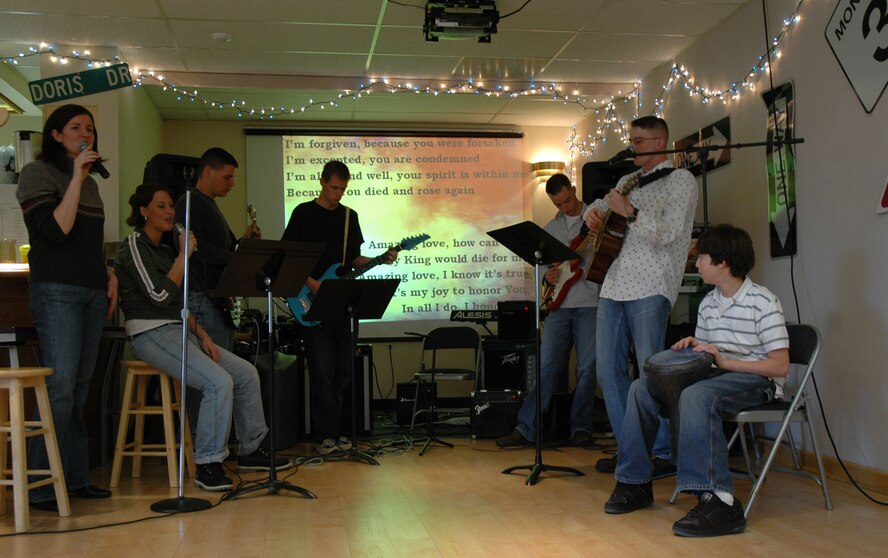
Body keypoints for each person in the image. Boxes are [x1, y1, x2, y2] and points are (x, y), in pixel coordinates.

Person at [603, 224, 789, 537]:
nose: (696, 262)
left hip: (756, 382)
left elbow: (780, 366)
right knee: (641, 388)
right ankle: (634, 482)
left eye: (702, 256)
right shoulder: (708, 303)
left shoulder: (763, 302)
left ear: (723, 262)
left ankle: (719, 500)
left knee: (696, 396)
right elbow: (706, 358)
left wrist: (726, 361)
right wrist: (692, 350)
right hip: (715, 376)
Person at [116, 183, 289, 491]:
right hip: (149, 332)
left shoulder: (165, 250)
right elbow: (158, 296)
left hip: (179, 329)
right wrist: (184, 255)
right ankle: (208, 464)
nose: (170, 211)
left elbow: (178, 302)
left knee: (246, 374)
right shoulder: (134, 244)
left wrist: (203, 335)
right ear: (143, 211)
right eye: (161, 206)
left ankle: (251, 449)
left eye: (171, 206)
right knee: (217, 382)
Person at [16, 104, 117, 511]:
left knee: (78, 389)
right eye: (76, 128)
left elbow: (88, 243)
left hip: (92, 290)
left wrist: (108, 272)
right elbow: (57, 230)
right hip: (56, 289)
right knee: (58, 389)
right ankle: (41, 485)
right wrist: (76, 177)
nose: (86, 135)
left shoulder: (90, 182)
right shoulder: (36, 174)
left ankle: (74, 478)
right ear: (56, 134)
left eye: (90, 129)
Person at [583, 116, 697, 475]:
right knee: (608, 372)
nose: (633, 146)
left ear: (661, 140)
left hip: (651, 286)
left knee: (652, 373)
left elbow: (671, 233)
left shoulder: (681, 180)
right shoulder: (626, 180)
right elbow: (598, 207)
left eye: (640, 140)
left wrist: (629, 212)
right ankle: (630, 449)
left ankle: (662, 452)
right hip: (613, 285)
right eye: (632, 139)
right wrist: (592, 216)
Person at [281, 160, 396, 456]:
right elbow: (288, 255)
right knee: (322, 370)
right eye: (334, 188)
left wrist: (379, 259)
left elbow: (352, 260)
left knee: (344, 370)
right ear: (322, 182)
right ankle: (323, 436)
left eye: (343, 189)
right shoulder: (303, 214)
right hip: (311, 298)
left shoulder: (348, 216)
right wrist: (312, 283)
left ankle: (341, 431)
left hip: (342, 304)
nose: (338, 194)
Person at [496, 173, 599, 448]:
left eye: (567, 200)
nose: (565, 208)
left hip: (590, 302)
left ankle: (581, 426)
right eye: (558, 205)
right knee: (546, 367)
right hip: (559, 306)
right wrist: (547, 277)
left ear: (574, 189)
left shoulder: (596, 218)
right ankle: (526, 428)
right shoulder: (549, 230)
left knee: (588, 367)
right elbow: (541, 266)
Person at [174, 147, 259, 353]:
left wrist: (242, 242)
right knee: (215, 365)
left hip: (214, 298)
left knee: (222, 363)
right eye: (227, 177)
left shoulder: (209, 204)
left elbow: (218, 248)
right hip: (201, 298)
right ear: (208, 171)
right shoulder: (191, 201)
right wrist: (236, 258)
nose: (232, 184)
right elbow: (195, 247)